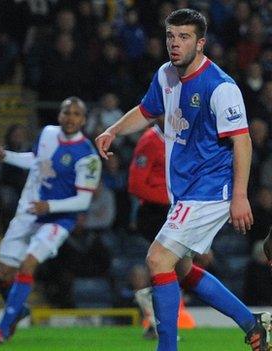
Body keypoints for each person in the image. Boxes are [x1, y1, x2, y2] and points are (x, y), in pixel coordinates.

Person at [95, 9, 270, 351]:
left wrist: (239, 196)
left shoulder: (221, 86)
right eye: (171, 37)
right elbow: (147, 110)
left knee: (158, 259)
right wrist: (114, 130)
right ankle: (253, 324)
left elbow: (242, 140)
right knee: (182, 269)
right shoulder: (165, 75)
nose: (175, 44)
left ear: (201, 43)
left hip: (210, 189)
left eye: (184, 37)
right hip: (185, 191)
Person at [0, 97, 101, 344]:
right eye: (67, 112)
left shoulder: (88, 157)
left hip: (58, 220)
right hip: (30, 211)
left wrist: (51, 206)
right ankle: (19, 309)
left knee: (28, 264)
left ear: (84, 119)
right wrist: (5, 156)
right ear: (59, 115)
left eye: (77, 114)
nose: (71, 118)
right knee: (3, 274)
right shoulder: (47, 133)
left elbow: (83, 201)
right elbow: (37, 161)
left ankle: (2, 329)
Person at [128, 120, 196, 339]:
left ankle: (153, 316)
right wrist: (171, 198)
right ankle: (157, 319)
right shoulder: (150, 141)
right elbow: (136, 185)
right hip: (155, 212)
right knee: (177, 267)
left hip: (175, 211)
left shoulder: (181, 138)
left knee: (182, 269)